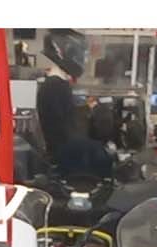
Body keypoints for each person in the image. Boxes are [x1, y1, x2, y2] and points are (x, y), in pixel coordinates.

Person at [37, 29, 115, 179]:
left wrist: (85, 108)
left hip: (63, 150)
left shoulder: (55, 84)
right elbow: (62, 126)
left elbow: (64, 118)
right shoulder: (55, 85)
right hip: (64, 154)